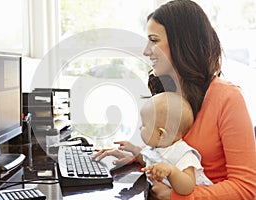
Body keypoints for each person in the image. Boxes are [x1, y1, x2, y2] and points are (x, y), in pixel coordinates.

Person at [92, 0, 256, 199]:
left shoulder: (228, 98)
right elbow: (174, 156)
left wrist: (179, 197)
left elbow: (247, 189)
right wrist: (139, 157)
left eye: (154, 40)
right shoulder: (168, 91)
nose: (146, 50)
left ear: (182, 43)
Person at [125, 92, 213, 195]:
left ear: (161, 133)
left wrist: (172, 171)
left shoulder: (183, 154)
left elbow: (188, 188)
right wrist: (134, 150)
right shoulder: (156, 147)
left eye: (144, 125)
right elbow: (147, 161)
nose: (140, 128)